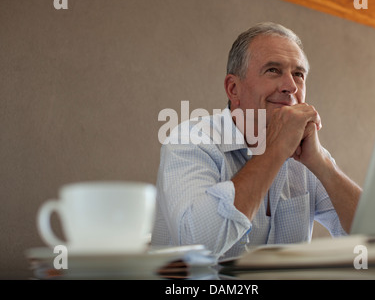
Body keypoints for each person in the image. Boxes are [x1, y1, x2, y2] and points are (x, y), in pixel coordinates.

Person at [151, 22, 362, 260]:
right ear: (233, 89)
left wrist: (323, 164)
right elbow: (199, 244)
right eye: (273, 70)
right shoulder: (189, 141)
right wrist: (274, 150)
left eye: (298, 74)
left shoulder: (308, 155)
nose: (290, 86)